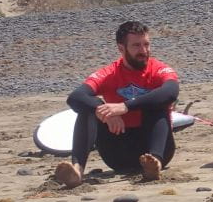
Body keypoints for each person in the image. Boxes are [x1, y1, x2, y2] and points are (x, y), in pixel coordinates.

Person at [55, 21, 179, 187]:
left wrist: (124, 107)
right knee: (87, 110)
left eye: (146, 44)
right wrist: (104, 111)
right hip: (118, 150)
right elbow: (76, 97)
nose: (143, 51)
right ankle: (77, 171)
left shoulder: (158, 69)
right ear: (121, 48)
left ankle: (154, 164)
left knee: (158, 104)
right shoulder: (109, 73)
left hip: (156, 147)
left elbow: (171, 92)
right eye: (136, 45)